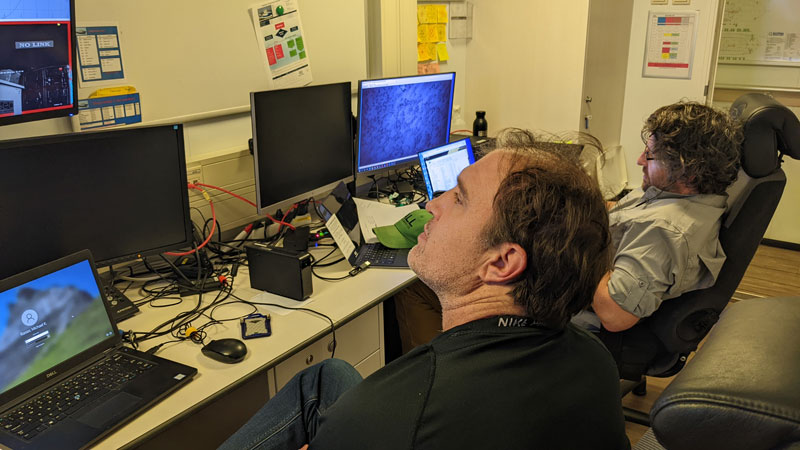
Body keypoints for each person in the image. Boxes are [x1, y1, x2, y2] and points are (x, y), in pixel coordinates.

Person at [219, 129, 630, 450]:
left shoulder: (388, 414)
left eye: (460, 199)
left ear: (501, 262)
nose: (432, 205)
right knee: (327, 378)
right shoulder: (594, 361)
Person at [584, 101, 742, 332]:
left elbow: (615, 315)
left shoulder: (662, 231)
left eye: (649, 155)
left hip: (583, 317)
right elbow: (626, 212)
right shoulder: (672, 194)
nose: (639, 161)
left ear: (686, 169)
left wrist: (579, 247)